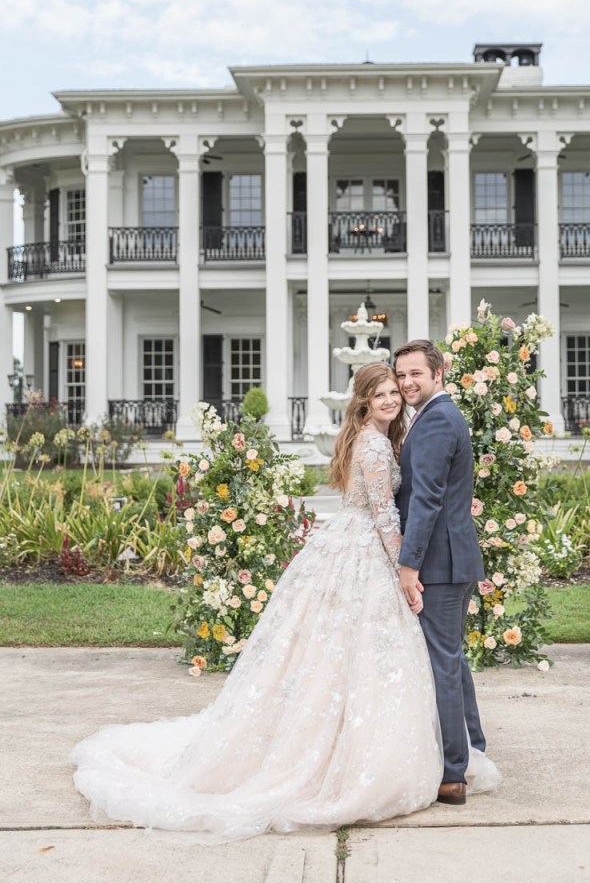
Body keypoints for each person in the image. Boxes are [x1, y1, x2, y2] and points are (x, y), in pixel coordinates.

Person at [71, 363, 500, 842]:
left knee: (343, 653)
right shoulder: (376, 444)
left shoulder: (368, 436)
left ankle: (411, 745)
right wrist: (406, 569)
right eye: (380, 393)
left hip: (349, 547)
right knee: (378, 654)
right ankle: (370, 754)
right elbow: (383, 514)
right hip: (368, 552)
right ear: (362, 401)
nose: (391, 398)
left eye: (393, 391)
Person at [394, 339, 490, 807]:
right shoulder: (435, 416)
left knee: (441, 663)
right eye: (401, 374)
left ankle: (452, 775)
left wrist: (408, 566)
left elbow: (426, 500)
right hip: (451, 559)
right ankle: (471, 747)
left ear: (438, 375)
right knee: (451, 658)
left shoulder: (435, 422)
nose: (407, 382)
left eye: (416, 373)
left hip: (440, 563)